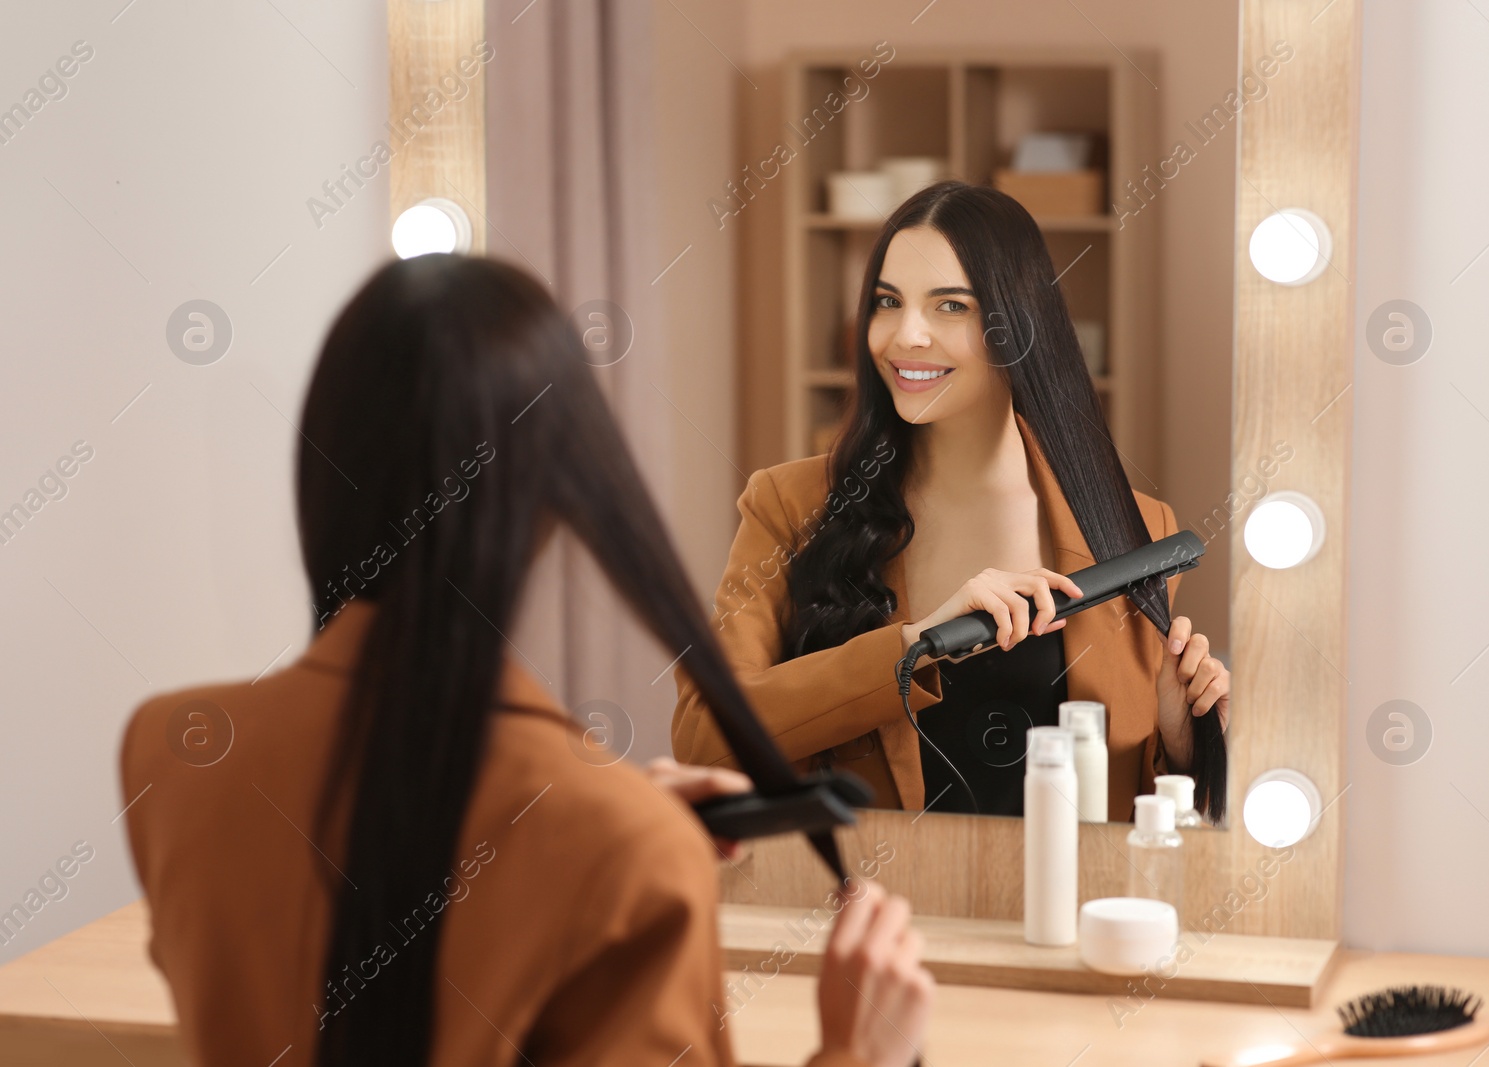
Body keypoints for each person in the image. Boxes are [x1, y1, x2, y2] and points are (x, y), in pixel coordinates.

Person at [117, 253, 934, 1067]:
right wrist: (854, 1054)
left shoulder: (170, 751)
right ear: (553, 500)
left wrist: (585, 825)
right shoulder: (628, 850)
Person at [673, 181, 1230, 823]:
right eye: (888, 301)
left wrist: (1182, 745)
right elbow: (702, 737)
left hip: (1055, 916)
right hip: (868, 912)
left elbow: (1121, 806)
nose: (905, 335)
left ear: (1015, 325)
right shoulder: (789, 506)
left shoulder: (1132, 528)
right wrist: (912, 646)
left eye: (950, 307)